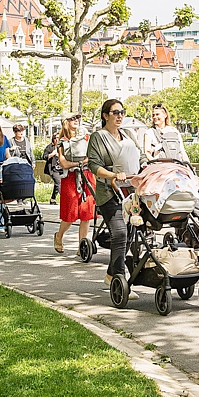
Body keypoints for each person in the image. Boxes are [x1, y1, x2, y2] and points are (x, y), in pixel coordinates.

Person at [87, 99, 143, 296]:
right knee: (119, 234)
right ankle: (120, 279)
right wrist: (112, 176)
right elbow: (94, 165)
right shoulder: (98, 137)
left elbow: (141, 156)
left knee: (129, 235)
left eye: (122, 112)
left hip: (130, 192)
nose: (120, 116)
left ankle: (111, 274)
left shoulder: (127, 135)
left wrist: (148, 167)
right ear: (105, 115)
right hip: (109, 192)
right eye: (115, 112)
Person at [54, 115, 94, 254]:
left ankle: (82, 246)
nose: (76, 120)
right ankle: (59, 235)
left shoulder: (86, 138)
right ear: (66, 122)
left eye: (77, 118)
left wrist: (83, 163)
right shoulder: (62, 142)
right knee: (70, 213)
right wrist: (80, 163)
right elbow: (63, 163)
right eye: (72, 119)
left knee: (86, 212)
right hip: (71, 177)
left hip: (87, 176)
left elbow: (91, 156)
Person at [42, 132, 62, 205]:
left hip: (62, 168)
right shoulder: (50, 147)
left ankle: (52, 199)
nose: (57, 140)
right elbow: (44, 156)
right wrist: (51, 154)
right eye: (55, 138)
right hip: (53, 169)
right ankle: (63, 199)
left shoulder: (62, 146)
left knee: (57, 184)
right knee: (58, 183)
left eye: (58, 138)